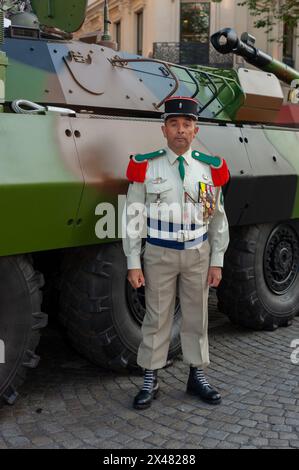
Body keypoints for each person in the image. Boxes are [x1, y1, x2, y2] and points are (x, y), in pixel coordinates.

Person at [122, 96, 230, 410]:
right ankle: (150, 378)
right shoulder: (146, 166)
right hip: (159, 253)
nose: (180, 130)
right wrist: (132, 262)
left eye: (187, 125)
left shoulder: (209, 169)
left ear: (195, 130)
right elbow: (132, 217)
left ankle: (197, 375)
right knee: (157, 318)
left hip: (198, 252)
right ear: (164, 130)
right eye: (174, 124)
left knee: (197, 316)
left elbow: (217, 217)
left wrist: (217, 260)